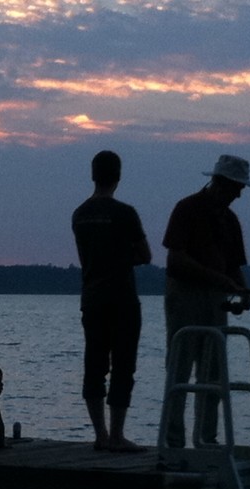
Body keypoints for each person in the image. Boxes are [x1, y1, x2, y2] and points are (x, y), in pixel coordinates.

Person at [161, 154, 250, 447]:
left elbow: (234, 266)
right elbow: (175, 259)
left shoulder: (230, 220)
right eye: (236, 186)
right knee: (179, 369)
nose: (240, 193)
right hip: (185, 299)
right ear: (219, 182)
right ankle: (173, 441)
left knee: (213, 373)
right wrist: (218, 279)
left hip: (216, 302)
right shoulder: (186, 208)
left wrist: (243, 291)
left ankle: (207, 439)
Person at [71, 150, 153, 452]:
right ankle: (117, 435)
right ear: (118, 176)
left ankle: (100, 435)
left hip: (91, 298)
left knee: (94, 364)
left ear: (93, 175)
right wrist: (121, 258)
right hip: (122, 299)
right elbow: (145, 255)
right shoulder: (125, 213)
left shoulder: (79, 214)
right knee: (122, 366)